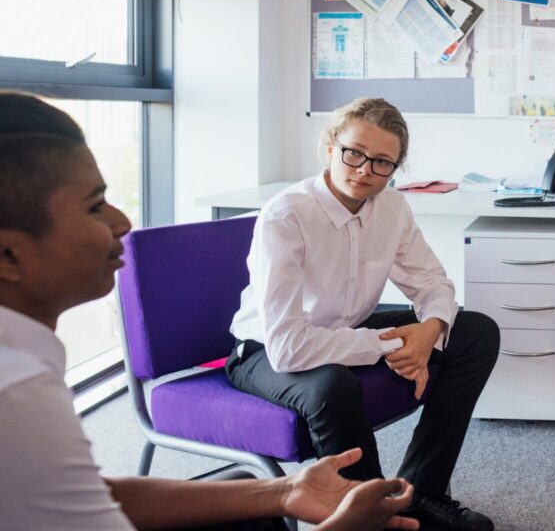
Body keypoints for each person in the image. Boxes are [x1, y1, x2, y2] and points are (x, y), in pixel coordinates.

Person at [0, 91, 419, 530]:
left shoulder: (26, 358)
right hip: (273, 351)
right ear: (8, 255)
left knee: (252, 501)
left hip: (322, 339)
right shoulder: (18, 393)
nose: (122, 222)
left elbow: (89, 495)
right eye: (93, 206)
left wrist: (281, 491)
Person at [228, 97, 500, 531]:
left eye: (381, 163)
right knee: (331, 384)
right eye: (353, 153)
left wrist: (429, 330)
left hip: (343, 329)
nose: (364, 171)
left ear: (395, 168)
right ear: (330, 145)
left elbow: (433, 283)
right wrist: (390, 342)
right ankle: (375, 518)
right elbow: (288, 348)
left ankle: (419, 496)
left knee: (476, 332)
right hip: (265, 349)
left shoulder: (392, 208)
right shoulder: (287, 214)